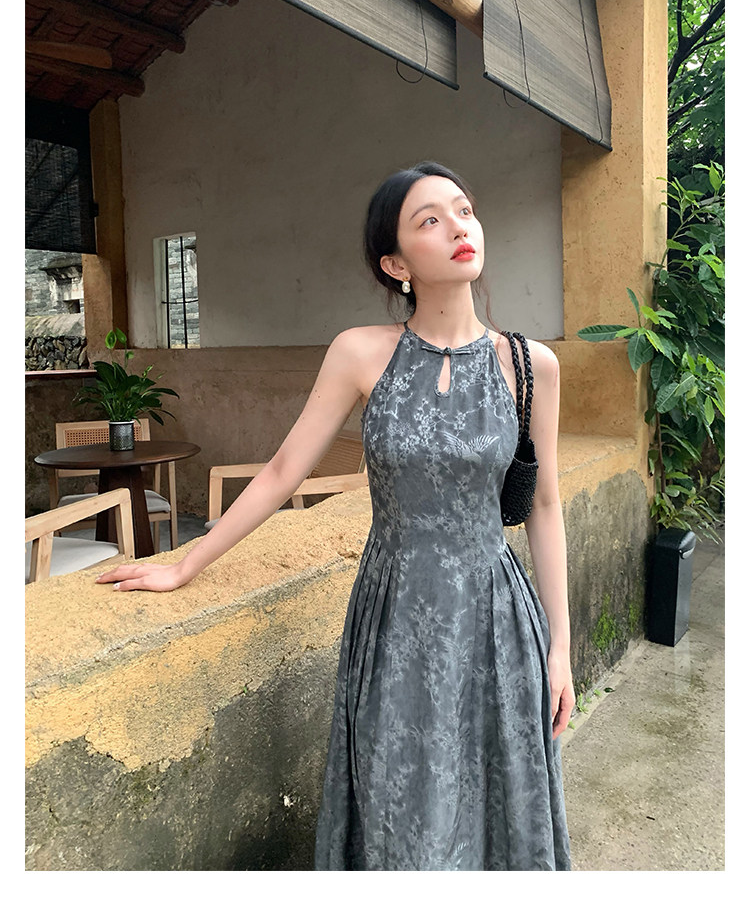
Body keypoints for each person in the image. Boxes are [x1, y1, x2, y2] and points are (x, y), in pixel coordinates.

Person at [96, 161, 574, 871]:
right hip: (395, 613)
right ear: (396, 263)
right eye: (430, 220)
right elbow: (283, 470)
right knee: (397, 806)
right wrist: (185, 563)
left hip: (496, 616)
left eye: (464, 210)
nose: (458, 227)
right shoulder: (359, 353)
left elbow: (544, 505)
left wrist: (560, 648)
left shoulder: (532, 365)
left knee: (498, 801)